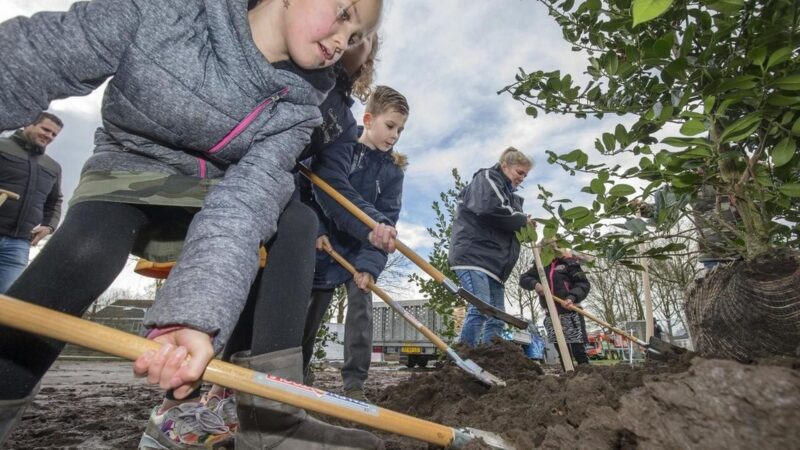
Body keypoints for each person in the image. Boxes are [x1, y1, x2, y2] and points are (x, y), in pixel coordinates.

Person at [0, 1, 386, 449]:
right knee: (88, 249)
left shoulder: (301, 107)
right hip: (129, 169)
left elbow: (244, 204)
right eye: (343, 13)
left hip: (219, 189)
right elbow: (30, 59)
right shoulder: (168, 11)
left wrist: (193, 318)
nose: (342, 42)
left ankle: (271, 420)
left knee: (296, 220)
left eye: (356, 35)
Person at [138, 31, 384, 450]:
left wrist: (371, 225)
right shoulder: (286, 57)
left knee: (296, 231)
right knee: (235, 280)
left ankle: (266, 412)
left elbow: (331, 182)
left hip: (276, 196)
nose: (348, 37)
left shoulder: (341, 119)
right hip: (219, 174)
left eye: (363, 35)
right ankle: (177, 412)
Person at [301, 85, 409, 403]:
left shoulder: (392, 173)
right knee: (311, 311)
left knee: (361, 308)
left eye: (401, 130)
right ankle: (299, 368)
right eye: (390, 126)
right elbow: (310, 192)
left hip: (360, 249)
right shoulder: (339, 148)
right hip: (325, 245)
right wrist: (316, 230)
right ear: (369, 119)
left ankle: (354, 381)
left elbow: (386, 219)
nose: (395, 135)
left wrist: (369, 266)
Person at [448, 147, 534, 347]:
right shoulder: (487, 178)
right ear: (505, 166)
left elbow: (511, 225)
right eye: (519, 172)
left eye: (525, 175)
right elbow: (489, 208)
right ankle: (463, 358)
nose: (522, 178)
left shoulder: (511, 197)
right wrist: (522, 220)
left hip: (495, 265)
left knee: (498, 317)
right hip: (474, 256)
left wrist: (526, 226)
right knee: (480, 308)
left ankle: (492, 359)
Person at [0, 112, 63, 293]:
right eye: (45, 129)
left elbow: (54, 201)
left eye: (54, 134)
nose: (49, 136)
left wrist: (49, 226)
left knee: (9, 304)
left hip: (19, 244)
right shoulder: (2, 147)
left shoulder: (53, 166)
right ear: (28, 124)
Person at [519, 248, 592, 366]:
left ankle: (586, 375)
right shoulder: (540, 266)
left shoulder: (570, 263)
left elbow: (583, 284)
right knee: (562, 351)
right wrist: (535, 284)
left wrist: (571, 297)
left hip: (570, 311)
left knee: (578, 350)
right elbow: (523, 279)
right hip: (551, 315)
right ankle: (568, 375)